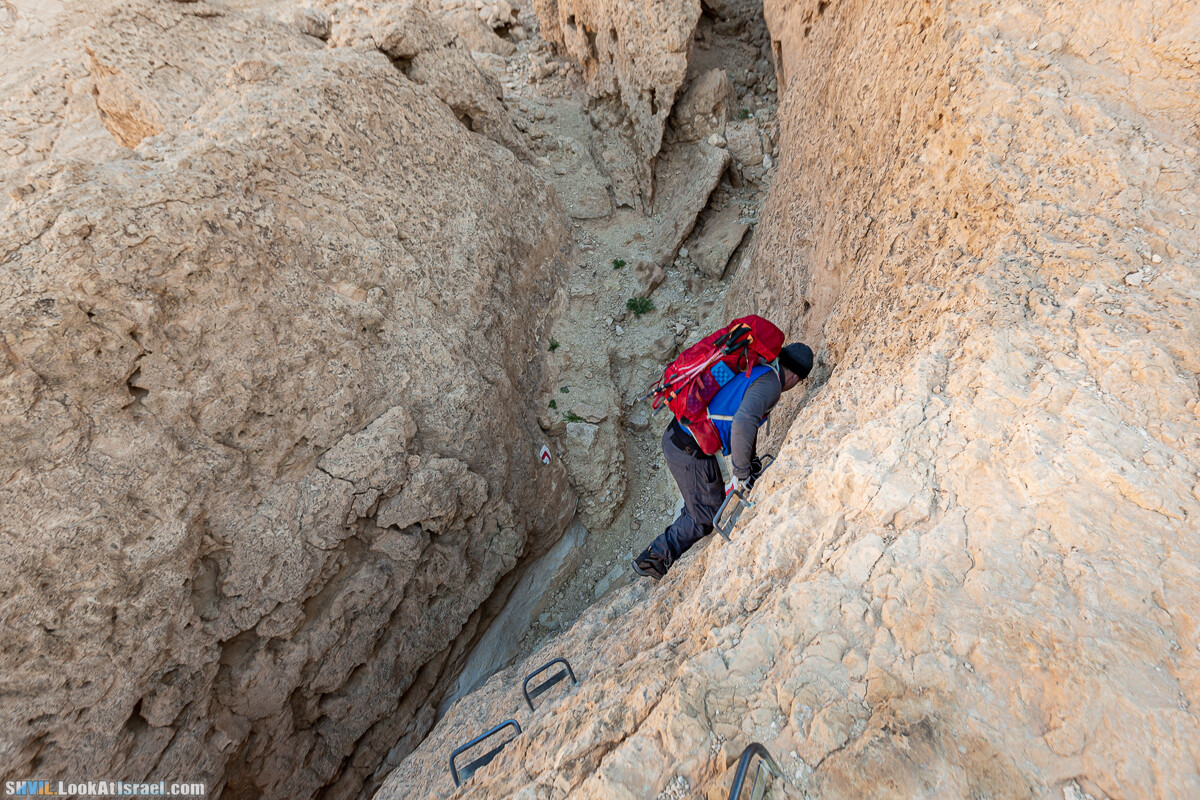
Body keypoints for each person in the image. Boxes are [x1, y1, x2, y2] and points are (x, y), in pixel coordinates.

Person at [632, 342, 814, 580]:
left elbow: (741, 415)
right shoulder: (771, 384)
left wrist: (751, 461)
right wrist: (741, 473)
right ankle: (653, 559)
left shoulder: (757, 366)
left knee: (702, 502)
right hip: (688, 448)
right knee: (704, 516)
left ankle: (660, 552)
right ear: (796, 377)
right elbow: (743, 422)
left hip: (682, 437)